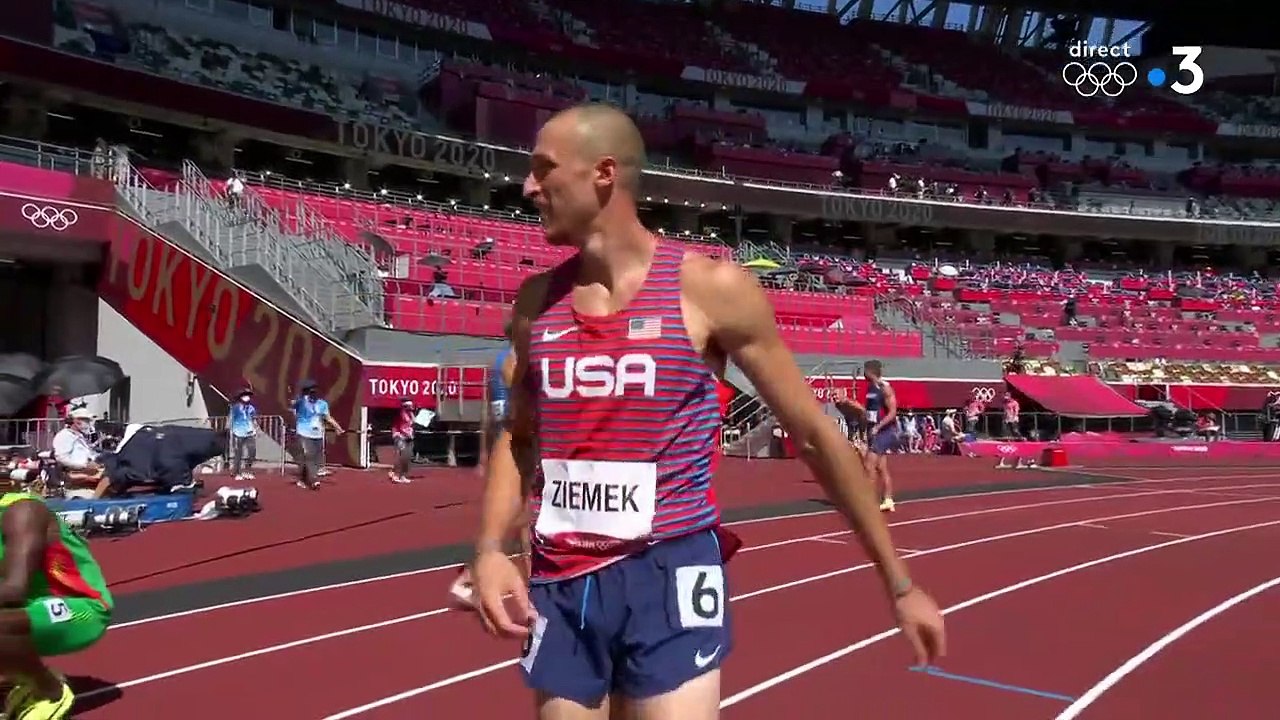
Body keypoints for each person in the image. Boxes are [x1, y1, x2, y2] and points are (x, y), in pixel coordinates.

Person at [469, 103, 945, 720]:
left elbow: (813, 434)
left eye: (544, 169)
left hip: (671, 571)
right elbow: (520, 437)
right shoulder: (536, 304)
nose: (528, 187)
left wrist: (898, 581)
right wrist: (488, 548)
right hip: (563, 578)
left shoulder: (708, 289)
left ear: (603, 173)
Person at [0, 492, 113, 719]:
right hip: (28, 607)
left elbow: (14, 589)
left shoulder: (23, 512)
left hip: (82, 608)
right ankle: (20, 680)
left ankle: (50, 690)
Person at [858, 360, 900, 512]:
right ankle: (888, 500)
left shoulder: (885, 388)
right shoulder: (870, 388)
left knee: (869, 465)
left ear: (870, 371)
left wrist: (878, 427)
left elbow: (893, 412)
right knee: (881, 468)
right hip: (873, 431)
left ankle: (868, 501)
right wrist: (865, 428)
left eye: (864, 370)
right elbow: (869, 411)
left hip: (885, 431)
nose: (862, 373)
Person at [291, 380, 344, 490]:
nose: (313, 395)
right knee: (309, 455)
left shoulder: (322, 404)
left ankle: (302, 478)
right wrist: (297, 400)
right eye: (310, 392)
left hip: (318, 434)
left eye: (315, 392)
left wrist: (337, 427)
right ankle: (314, 480)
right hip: (304, 432)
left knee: (314, 458)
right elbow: (294, 405)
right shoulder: (302, 402)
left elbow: (328, 418)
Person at [50, 409, 110, 499]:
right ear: (76, 421)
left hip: (88, 480)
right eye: (86, 420)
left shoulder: (79, 436)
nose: (88, 423)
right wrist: (84, 466)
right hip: (77, 486)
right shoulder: (64, 436)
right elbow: (61, 458)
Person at [228, 388, 258, 481]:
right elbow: (230, 419)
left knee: (252, 452)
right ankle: (236, 472)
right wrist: (230, 430)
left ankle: (247, 470)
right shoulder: (235, 407)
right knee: (238, 454)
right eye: (245, 395)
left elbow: (253, 419)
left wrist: (255, 429)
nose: (247, 397)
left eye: (248, 395)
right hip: (238, 433)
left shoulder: (251, 408)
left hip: (250, 432)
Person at [389, 397, 415, 484]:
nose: (411, 407)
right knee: (401, 456)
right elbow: (400, 427)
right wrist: (406, 434)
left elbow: (413, 423)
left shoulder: (410, 414)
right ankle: (395, 474)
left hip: (409, 437)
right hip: (400, 436)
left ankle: (403, 475)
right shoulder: (401, 414)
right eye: (409, 406)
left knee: (407, 457)